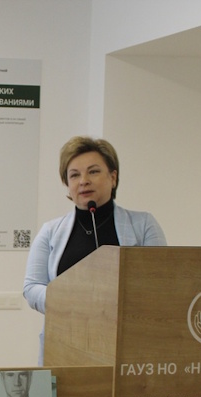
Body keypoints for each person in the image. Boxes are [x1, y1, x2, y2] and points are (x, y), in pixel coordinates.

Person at [23, 136, 166, 363]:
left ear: (113, 177)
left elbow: (160, 285)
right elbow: (32, 288)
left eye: (93, 172)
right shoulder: (50, 231)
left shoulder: (144, 225)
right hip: (65, 345)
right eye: (74, 175)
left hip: (128, 347)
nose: (84, 181)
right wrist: (74, 300)